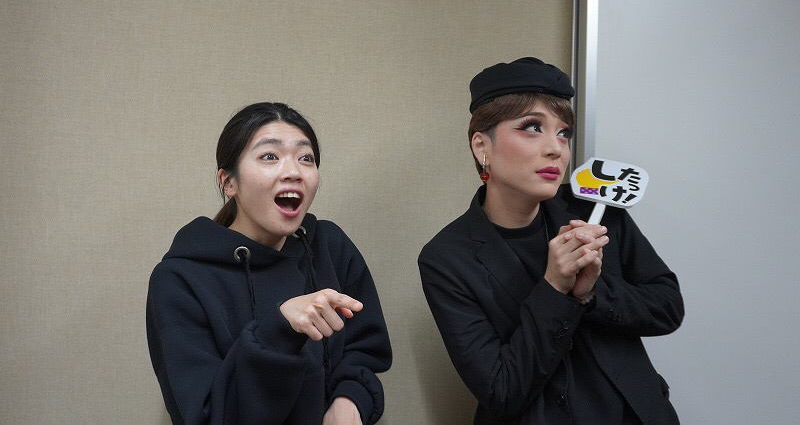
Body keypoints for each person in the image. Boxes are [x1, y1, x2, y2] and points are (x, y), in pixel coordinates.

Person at [418, 57, 684, 424]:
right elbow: (501, 391)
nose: (556, 149)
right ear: (482, 146)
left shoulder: (596, 210)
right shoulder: (446, 258)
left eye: (563, 133)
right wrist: (555, 287)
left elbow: (668, 308)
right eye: (532, 127)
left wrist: (590, 295)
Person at [147, 102, 392, 424]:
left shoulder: (329, 246)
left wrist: (350, 399)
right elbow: (207, 414)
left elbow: (364, 350)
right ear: (228, 182)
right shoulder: (179, 279)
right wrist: (279, 329)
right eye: (269, 156)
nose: (293, 172)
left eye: (306, 158)